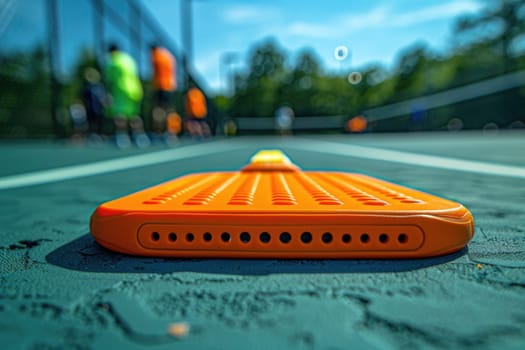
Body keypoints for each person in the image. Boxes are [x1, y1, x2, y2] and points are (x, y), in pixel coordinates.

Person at [105, 44, 149, 148]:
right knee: (134, 114)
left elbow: (110, 80)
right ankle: (140, 136)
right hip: (135, 90)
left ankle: (122, 137)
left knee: (120, 114)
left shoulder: (113, 61)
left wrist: (108, 93)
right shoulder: (129, 60)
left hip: (121, 90)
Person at [150, 44, 177, 138]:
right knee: (169, 111)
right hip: (170, 86)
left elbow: (154, 72)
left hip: (160, 86)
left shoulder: (155, 55)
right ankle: (172, 132)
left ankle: (158, 133)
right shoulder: (168, 56)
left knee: (158, 110)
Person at [82, 67, 106, 138]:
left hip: (99, 109)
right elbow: (85, 98)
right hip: (90, 109)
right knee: (91, 122)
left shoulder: (100, 86)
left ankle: (100, 135)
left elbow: (103, 96)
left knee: (100, 122)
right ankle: (92, 134)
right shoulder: (87, 87)